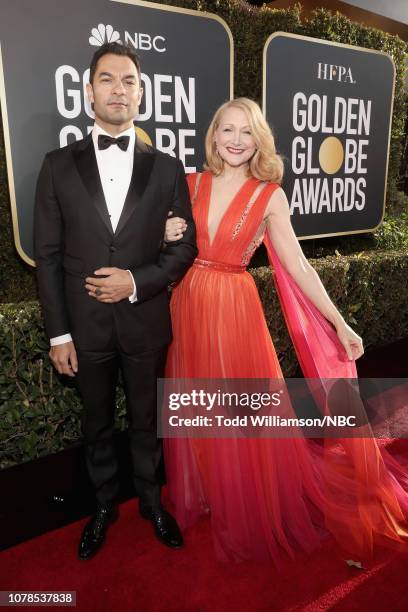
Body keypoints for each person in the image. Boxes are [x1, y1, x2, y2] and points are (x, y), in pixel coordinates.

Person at [163, 97, 408, 564]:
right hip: (187, 301)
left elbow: (298, 266)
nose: (236, 140)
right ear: (214, 135)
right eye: (228, 130)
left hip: (234, 308)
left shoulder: (268, 195)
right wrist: (167, 233)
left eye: (247, 132)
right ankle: (208, 490)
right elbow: (157, 245)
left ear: (259, 141)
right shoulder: (189, 182)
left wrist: (339, 322)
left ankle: (241, 499)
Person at [34, 42, 197, 561]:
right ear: (88, 92)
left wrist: (135, 280)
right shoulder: (57, 165)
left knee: (148, 419)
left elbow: (184, 247)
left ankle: (152, 501)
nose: (118, 89)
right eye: (107, 79)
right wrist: (59, 333)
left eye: (128, 80)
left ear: (141, 93)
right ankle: (103, 506)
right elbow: (49, 255)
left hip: (145, 321)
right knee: (96, 422)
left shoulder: (168, 168)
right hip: (85, 328)